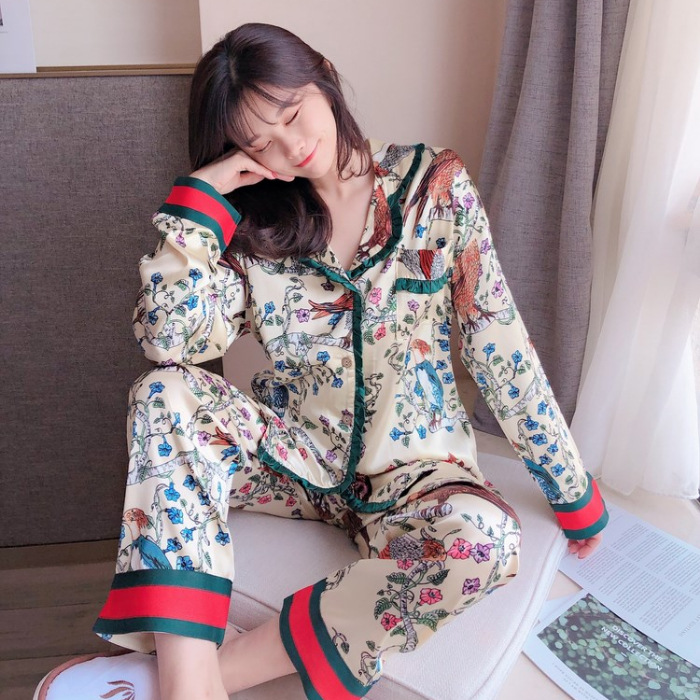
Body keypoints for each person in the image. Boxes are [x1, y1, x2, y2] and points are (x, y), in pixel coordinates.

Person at [36, 22, 608, 700]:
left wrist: (571, 490)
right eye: (258, 143)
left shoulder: (433, 188)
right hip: (298, 463)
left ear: (324, 77)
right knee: (165, 393)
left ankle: (197, 680)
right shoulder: (253, 229)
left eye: (290, 113)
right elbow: (172, 342)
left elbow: (497, 342)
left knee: (485, 539)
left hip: (418, 477)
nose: (290, 147)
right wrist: (198, 203)